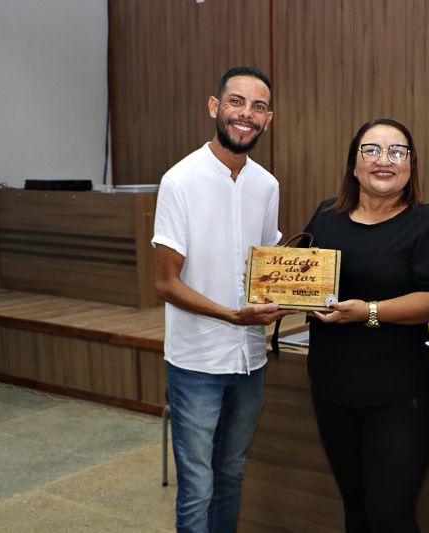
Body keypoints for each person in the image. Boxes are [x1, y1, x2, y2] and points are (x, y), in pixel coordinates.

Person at [152, 66, 294, 533]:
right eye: (236, 102)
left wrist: (293, 297)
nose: (245, 115)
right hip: (196, 362)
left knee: (232, 474)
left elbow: (267, 268)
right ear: (215, 107)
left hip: (249, 360)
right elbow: (165, 282)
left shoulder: (266, 185)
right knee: (197, 485)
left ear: (268, 118)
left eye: (257, 107)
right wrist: (231, 315)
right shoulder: (180, 180)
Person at [302, 118, 429, 533]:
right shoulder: (325, 217)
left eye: (397, 151)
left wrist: (369, 311)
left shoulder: (428, 223)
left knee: (390, 516)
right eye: (370, 150)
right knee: (355, 510)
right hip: (332, 385)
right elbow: (309, 282)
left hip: (399, 391)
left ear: (411, 165)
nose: (383, 160)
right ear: (353, 165)